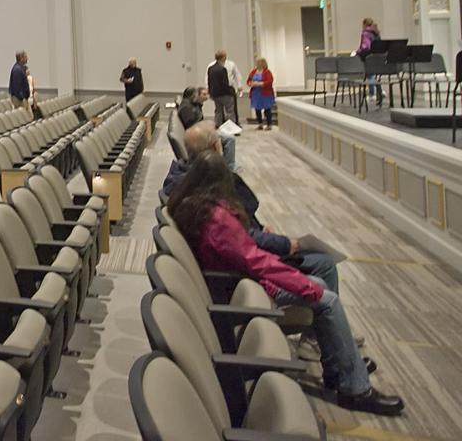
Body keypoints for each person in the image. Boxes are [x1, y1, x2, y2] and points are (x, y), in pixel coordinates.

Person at [168, 151, 402, 415]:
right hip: (239, 290)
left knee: (320, 287)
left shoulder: (188, 204)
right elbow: (256, 262)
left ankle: (341, 369)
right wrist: (305, 287)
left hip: (233, 282)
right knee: (326, 298)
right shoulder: (217, 218)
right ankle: (355, 390)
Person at [207, 51, 238, 127]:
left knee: (218, 111)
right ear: (223, 58)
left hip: (215, 94)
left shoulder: (211, 68)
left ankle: (218, 125)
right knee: (230, 111)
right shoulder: (222, 69)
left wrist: (210, 93)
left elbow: (209, 82)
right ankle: (231, 127)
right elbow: (225, 83)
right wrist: (230, 90)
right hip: (225, 94)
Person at [358, 18, 383, 105]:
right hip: (377, 57)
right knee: (373, 75)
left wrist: (358, 52)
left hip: (368, 57)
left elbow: (365, 46)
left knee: (370, 75)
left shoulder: (365, 33)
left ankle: (372, 94)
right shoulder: (376, 33)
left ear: (365, 24)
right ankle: (379, 91)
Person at [247, 57, 275, 130]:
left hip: (265, 93)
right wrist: (250, 83)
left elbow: (269, 81)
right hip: (256, 94)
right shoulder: (253, 72)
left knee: (267, 109)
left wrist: (260, 83)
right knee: (257, 109)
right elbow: (248, 80)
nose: (257, 64)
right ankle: (260, 124)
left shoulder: (267, 72)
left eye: (258, 63)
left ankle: (269, 124)